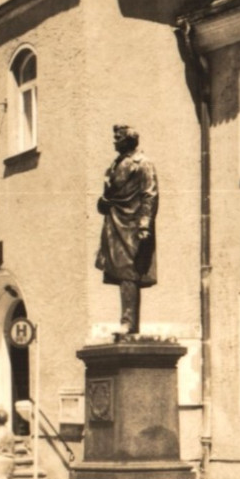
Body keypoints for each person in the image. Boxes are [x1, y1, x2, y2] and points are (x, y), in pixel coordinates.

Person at [95, 124, 158, 334]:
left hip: (132, 224)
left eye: (118, 138)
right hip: (115, 220)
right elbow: (111, 194)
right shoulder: (116, 164)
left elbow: (149, 194)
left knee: (129, 273)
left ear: (128, 140)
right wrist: (103, 203)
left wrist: (144, 224)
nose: (114, 141)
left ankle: (129, 323)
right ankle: (127, 323)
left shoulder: (143, 163)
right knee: (122, 273)